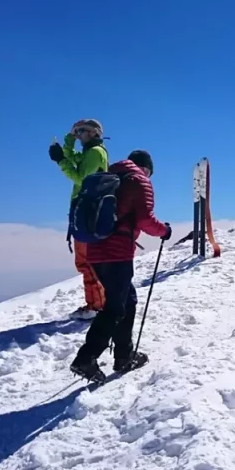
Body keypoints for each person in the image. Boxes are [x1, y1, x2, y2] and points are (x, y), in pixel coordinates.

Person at [70, 150, 172, 382]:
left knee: (128, 300)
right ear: (146, 168)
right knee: (115, 308)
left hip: (95, 250)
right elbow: (146, 219)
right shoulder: (139, 180)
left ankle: (124, 355)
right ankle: (86, 358)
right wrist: (164, 231)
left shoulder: (109, 176)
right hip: (117, 253)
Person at [49, 119, 109, 320]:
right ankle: (97, 302)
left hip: (87, 214)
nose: (79, 134)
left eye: (81, 131)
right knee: (86, 261)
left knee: (86, 262)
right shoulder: (90, 152)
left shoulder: (94, 153)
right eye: (77, 131)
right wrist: (68, 141)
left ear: (93, 133)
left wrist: (61, 162)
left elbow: (80, 177)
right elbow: (72, 156)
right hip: (86, 212)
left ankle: (96, 305)